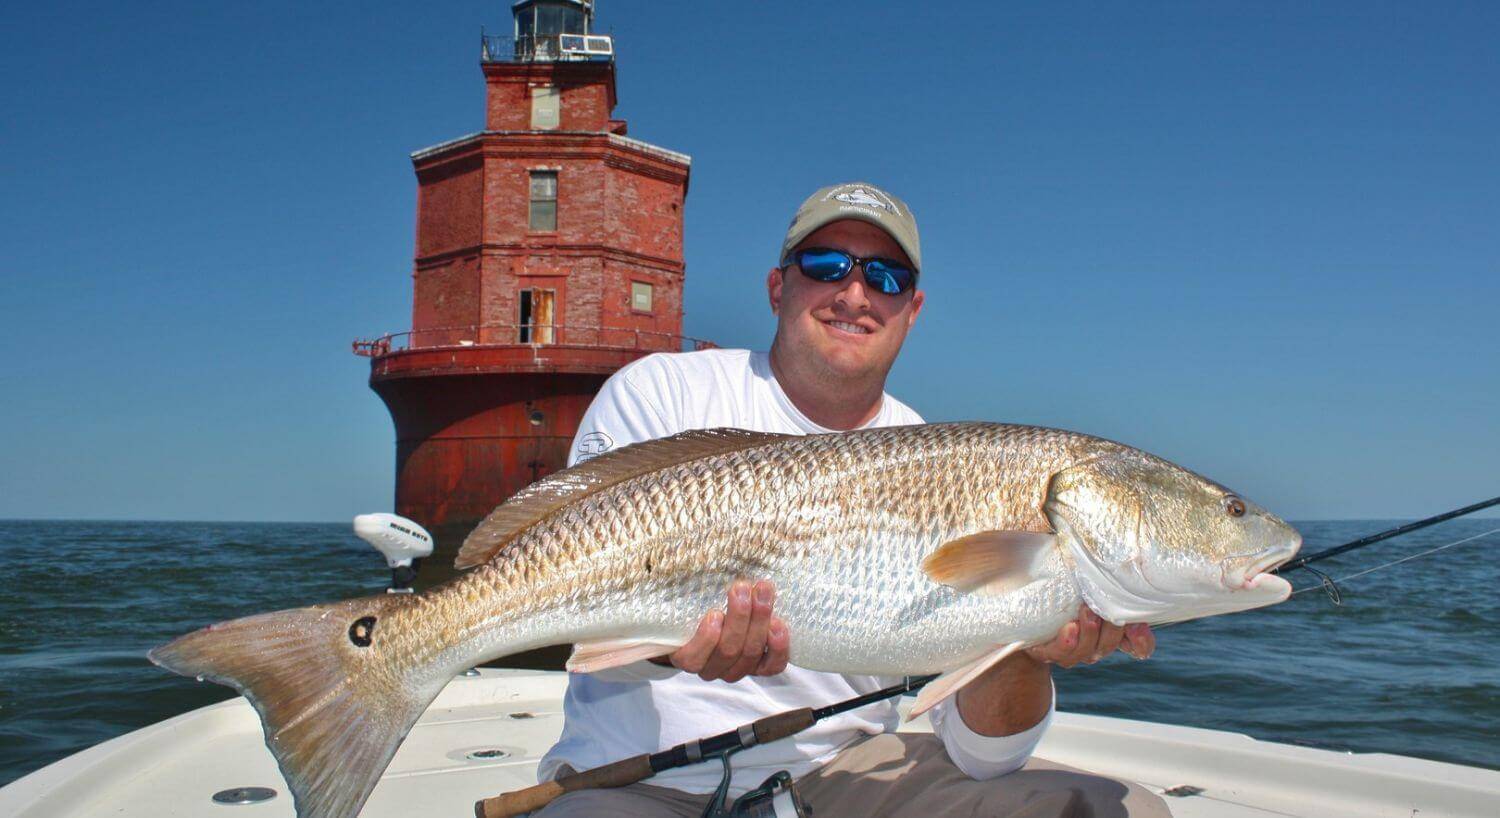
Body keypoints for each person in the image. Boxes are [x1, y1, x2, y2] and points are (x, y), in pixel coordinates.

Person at [534, 183, 1171, 817]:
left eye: (886, 277)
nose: (855, 292)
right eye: (825, 265)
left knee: (1127, 813)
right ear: (778, 287)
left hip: (842, 780)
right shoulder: (662, 394)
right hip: (629, 779)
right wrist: (669, 645)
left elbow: (983, 758)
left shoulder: (956, 465)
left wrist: (1029, 649)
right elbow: (594, 640)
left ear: (912, 310)